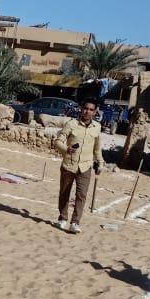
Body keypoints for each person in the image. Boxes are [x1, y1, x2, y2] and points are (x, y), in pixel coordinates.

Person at [54, 95, 103, 233]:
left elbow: (97, 148)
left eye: (91, 110)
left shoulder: (97, 127)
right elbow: (58, 141)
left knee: (81, 195)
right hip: (69, 165)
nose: (87, 111)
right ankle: (62, 219)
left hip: (85, 167)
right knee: (64, 193)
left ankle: (75, 223)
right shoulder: (71, 124)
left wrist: (100, 163)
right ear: (81, 109)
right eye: (85, 108)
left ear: (95, 112)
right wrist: (66, 149)